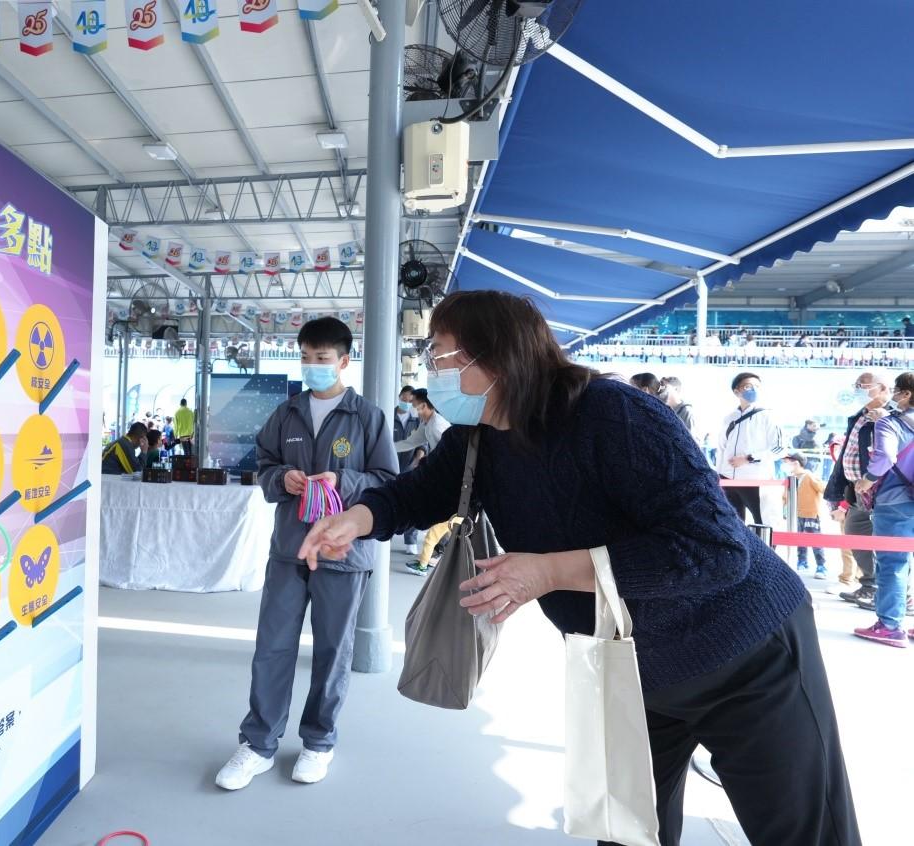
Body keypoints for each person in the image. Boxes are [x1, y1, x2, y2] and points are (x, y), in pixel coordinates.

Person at [297, 290, 858, 846]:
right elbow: (418, 493)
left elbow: (715, 550)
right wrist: (358, 519)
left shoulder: (614, 414)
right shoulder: (481, 435)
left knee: (801, 831)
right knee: (624, 829)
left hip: (742, 653)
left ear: (492, 358)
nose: (433, 372)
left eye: (440, 356)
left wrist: (547, 572)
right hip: (624, 667)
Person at [215, 317, 397, 791]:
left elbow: (390, 484)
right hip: (289, 550)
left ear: (343, 361)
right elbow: (264, 467)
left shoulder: (368, 417)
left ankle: (318, 742)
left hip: (343, 552)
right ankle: (257, 744)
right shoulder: (287, 413)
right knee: (271, 646)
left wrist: (346, 481)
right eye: (306, 357)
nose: (313, 366)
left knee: (333, 652)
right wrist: (283, 480)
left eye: (322, 358)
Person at [852, 371, 914, 645]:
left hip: (895, 501)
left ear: (906, 394)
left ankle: (890, 625)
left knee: (892, 564)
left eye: (898, 390)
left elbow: (885, 457)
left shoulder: (890, 423)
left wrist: (867, 481)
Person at [825, 372, 894, 607]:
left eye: (862, 386)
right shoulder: (860, 415)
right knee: (856, 533)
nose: (857, 390)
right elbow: (847, 452)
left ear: (882, 387)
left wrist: (887, 419)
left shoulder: (897, 414)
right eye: (855, 385)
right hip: (857, 490)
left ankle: (897, 594)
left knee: (891, 544)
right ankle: (869, 586)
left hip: (884, 489)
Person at [393, 389, 454, 576]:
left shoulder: (438, 426)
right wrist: (385, 448)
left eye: (417, 407)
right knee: (442, 523)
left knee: (442, 523)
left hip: (449, 480)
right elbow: (410, 442)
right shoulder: (427, 424)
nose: (415, 411)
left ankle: (434, 555)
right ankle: (437, 553)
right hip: (441, 478)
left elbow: (450, 456)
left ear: (426, 406)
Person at [716, 372, 784, 526]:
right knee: (732, 524)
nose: (753, 390)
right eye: (748, 386)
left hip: (755, 480)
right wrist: (719, 476)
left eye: (757, 386)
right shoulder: (729, 418)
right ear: (736, 391)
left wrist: (748, 458)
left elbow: (779, 448)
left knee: (763, 523)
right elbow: (721, 448)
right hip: (728, 481)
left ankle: (766, 550)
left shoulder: (768, 415)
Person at [782, 452, 829, 579]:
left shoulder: (809, 476)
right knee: (799, 538)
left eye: (787, 462)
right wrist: (784, 509)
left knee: (814, 539)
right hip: (797, 514)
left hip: (811, 514)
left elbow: (823, 489)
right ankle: (802, 561)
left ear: (796, 463)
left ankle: (821, 565)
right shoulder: (790, 478)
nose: (785, 465)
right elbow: (785, 496)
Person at [393, 385, 422, 554]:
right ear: (399, 396)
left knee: (412, 503)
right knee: (390, 501)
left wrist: (418, 459)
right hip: (390, 467)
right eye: (404, 398)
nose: (406, 402)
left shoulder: (416, 420)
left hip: (409, 467)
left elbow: (422, 442)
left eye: (410, 400)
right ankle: (385, 536)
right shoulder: (388, 416)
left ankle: (410, 540)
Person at [657, 376, 700, 447]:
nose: (661, 390)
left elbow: (692, 442)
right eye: (660, 387)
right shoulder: (661, 409)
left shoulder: (686, 411)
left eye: (665, 387)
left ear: (676, 389)